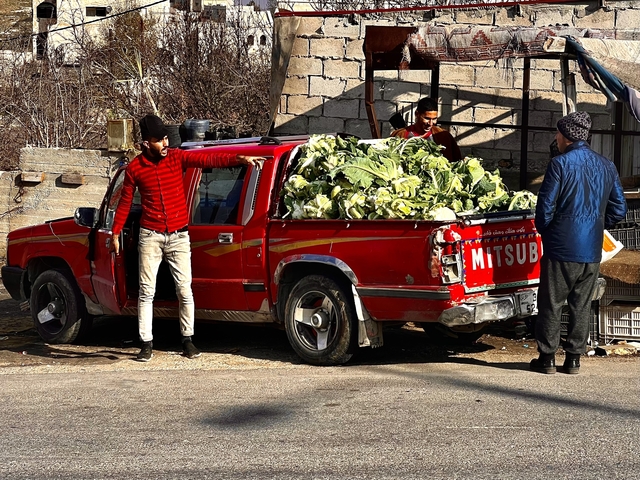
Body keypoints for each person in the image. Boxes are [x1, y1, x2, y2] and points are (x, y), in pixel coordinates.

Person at [110, 114, 263, 362]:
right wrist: (116, 232)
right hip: (150, 236)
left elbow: (207, 158)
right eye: (159, 140)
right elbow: (125, 203)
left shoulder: (176, 158)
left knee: (184, 289)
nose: (165, 144)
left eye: (166, 138)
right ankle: (146, 343)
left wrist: (239, 158)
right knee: (147, 291)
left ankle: (187, 339)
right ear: (146, 143)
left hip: (179, 236)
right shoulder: (135, 169)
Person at [531, 111, 627, 375]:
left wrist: (547, 232)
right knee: (581, 304)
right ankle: (573, 359)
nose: (555, 138)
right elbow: (619, 209)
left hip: (561, 247)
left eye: (558, 134)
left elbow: (545, 207)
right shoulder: (607, 165)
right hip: (591, 250)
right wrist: (597, 225)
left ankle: (547, 358)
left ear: (567, 136)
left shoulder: (560, 164)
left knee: (551, 302)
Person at [391, 97, 462, 162]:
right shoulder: (400, 135)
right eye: (427, 118)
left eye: (434, 119)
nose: (430, 123)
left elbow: (457, 162)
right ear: (417, 114)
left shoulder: (444, 136)